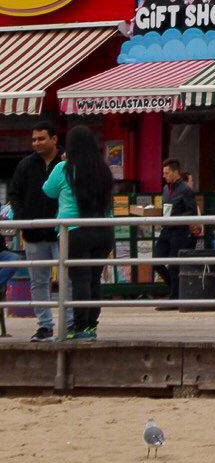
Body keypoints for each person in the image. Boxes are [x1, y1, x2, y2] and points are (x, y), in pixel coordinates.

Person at [43, 124, 114, 340]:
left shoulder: (63, 169)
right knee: (94, 279)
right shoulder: (103, 169)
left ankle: (80, 327)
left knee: (80, 279)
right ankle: (92, 327)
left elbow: (48, 190)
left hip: (74, 232)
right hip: (103, 230)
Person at [10, 121, 62, 340]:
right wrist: (23, 221)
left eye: (41, 138)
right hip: (33, 233)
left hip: (62, 233)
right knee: (38, 282)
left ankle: (69, 325)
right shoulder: (25, 165)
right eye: (34, 139)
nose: (37, 143)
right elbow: (15, 194)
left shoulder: (67, 162)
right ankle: (45, 325)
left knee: (68, 279)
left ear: (54, 139)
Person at [133, 158, 202, 302]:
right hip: (166, 229)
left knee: (173, 265)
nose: (164, 176)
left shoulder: (185, 190)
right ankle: (174, 289)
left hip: (179, 231)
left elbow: (192, 211)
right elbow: (166, 208)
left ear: (176, 172)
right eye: (163, 173)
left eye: (167, 173)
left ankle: (175, 295)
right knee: (157, 261)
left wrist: (175, 217)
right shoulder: (166, 189)